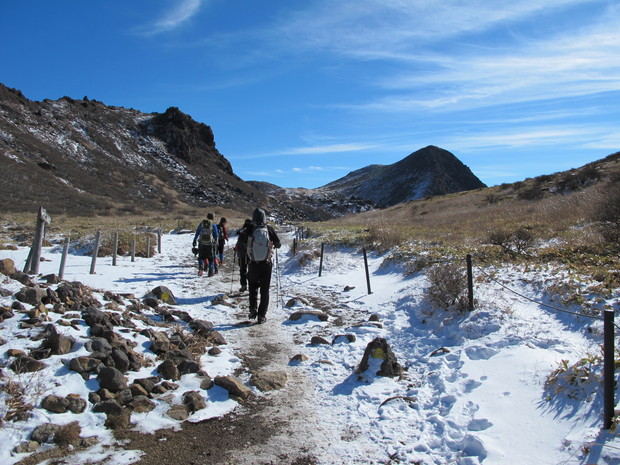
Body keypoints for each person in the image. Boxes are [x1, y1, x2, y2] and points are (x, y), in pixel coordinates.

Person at [246, 208, 281, 323]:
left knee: (252, 287)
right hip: (266, 263)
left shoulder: (250, 228)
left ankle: (252, 309)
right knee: (265, 290)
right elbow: (278, 244)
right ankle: (261, 315)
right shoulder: (269, 229)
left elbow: (241, 241)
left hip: (253, 263)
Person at [192, 212, 219, 277]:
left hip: (201, 243)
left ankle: (201, 266)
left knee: (201, 257)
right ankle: (210, 272)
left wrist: (195, 240)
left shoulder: (202, 223)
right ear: (213, 217)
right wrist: (216, 242)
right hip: (210, 244)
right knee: (211, 258)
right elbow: (216, 235)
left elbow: (197, 232)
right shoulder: (213, 224)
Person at [234, 218, 253, 293]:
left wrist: (236, 248)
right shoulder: (253, 232)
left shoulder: (242, 232)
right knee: (252, 270)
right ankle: (252, 286)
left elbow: (239, 244)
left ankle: (244, 285)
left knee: (242, 270)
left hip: (242, 254)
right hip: (252, 255)